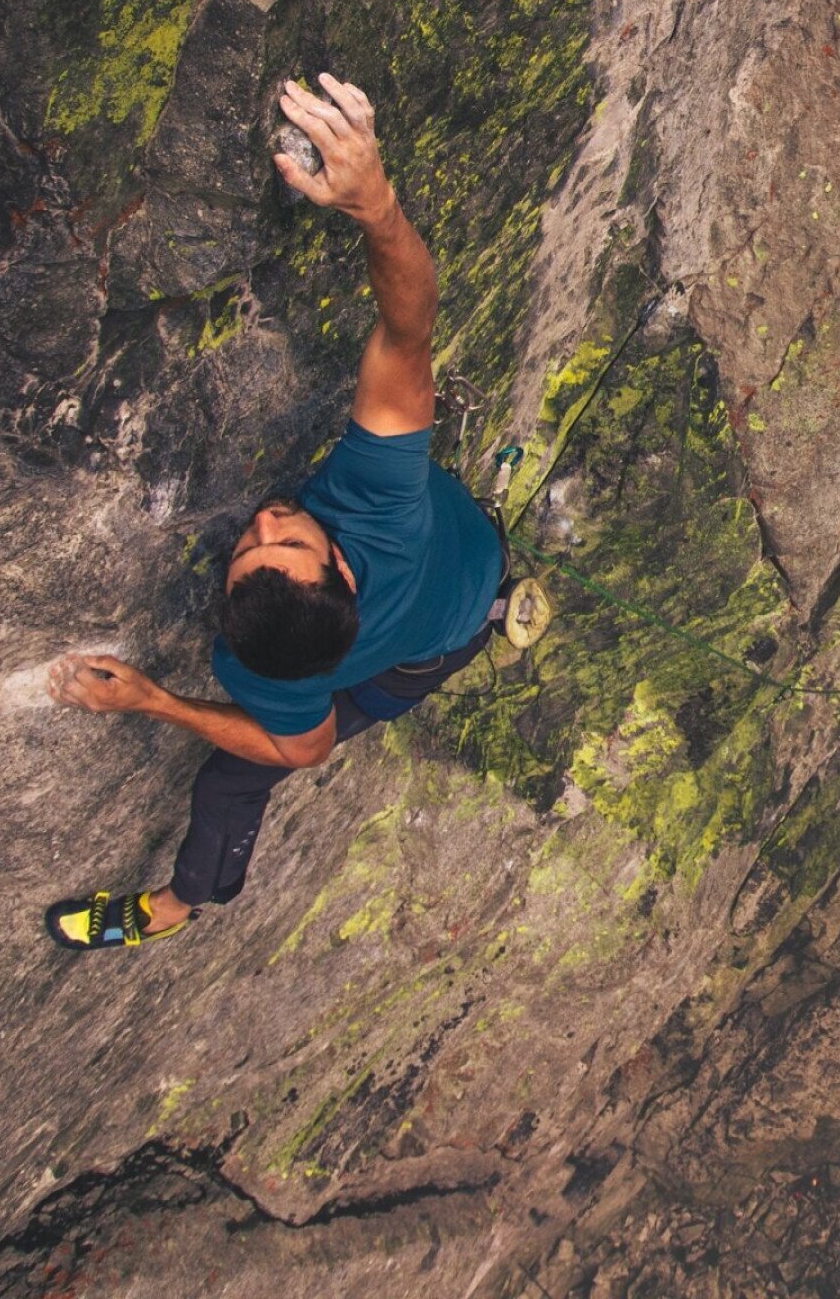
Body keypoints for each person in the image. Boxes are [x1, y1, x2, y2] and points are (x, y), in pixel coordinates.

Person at [43, 74, 504, 952]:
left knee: (228, 780)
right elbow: (410, 327)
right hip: (448, 604)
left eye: (257, 546)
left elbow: (304, 749)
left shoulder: (290, 652)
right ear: (339, 565)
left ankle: (173, 910)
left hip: (433, 637)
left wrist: (153, 701)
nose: (262, 520)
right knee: (235, 772)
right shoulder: (374, 512)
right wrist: (375, 208)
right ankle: (179, 908)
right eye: (282, 537)